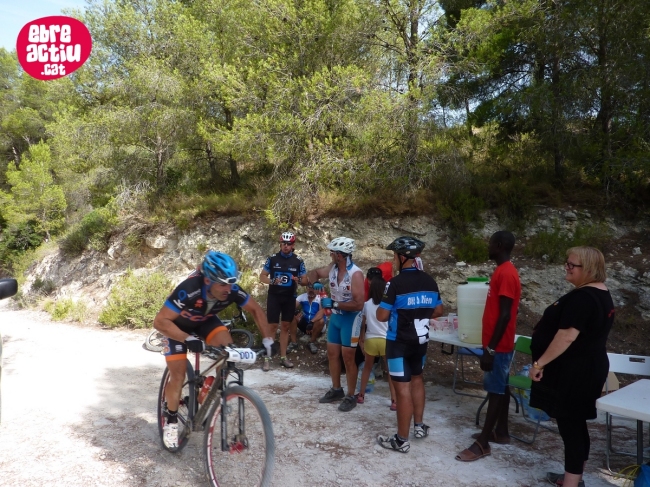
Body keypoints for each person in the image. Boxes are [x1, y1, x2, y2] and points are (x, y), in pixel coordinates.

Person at [153, 251, 275, 450]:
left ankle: (212, 391)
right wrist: (186, 338)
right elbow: (160, 321)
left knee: (229, 352)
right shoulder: (189, 289)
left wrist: (268, 339)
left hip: (205, 322)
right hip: (178, 328)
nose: (229, 289)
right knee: (178, 374)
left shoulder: (231, 289)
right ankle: (172, 421)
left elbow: (256, 310)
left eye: (231, 283)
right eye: (223, 284)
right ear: (208, 280)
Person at [529, 247, 614, 487]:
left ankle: (571, 483)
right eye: (567, 263)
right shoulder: (600, 293)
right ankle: (573, 478)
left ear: (588, 269)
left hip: (576, 373)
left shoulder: (583, 297)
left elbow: (566, 336)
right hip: (586, 368)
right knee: (575, 424)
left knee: (571, 427)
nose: (566, 268)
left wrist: (540, 363)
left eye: (571, 265)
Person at [456, 231, 521, 462]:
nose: (488, 246)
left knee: (494, 391)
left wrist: (491, 349)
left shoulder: (507, 274)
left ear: (500, 245)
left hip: (499, 346)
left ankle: (482, 443)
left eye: (491, 243)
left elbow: (505, 315)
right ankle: (501, 432)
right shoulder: (501, 271)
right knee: (501, 387)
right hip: (496, 344)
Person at [376, 236, 443, 453]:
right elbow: (439, 310)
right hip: (421, 343)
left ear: (403, 257)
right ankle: (420, 426)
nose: (394, 260)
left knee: (402, 388)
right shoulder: (430, 281)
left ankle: (401, 440)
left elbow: (382, 316)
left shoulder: (395, 284)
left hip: (398, 344)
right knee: (417, 380)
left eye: (395, 255)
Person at [306, 236, 365, 412]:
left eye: (332, 252)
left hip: (351, 317)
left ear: (340, 255)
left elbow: (359, 303)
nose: (330, 254)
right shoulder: (332, 268)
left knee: (348, 357)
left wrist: (335, 304)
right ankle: (337, 389)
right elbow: (314, 272)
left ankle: (351, 395)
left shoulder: (356, 274)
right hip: (337, 317)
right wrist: (314, 283)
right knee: (332, 353)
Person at [259, 232, 308, 371]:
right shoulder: (272, 259)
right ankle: (267, 358)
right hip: (274, 297)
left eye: (289, 244)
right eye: (283, 243)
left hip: (289, 297)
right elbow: (262, 276)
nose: (286, 246)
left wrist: (299, 280)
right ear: (280, 244)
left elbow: (305, 280)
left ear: (293, 245)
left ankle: (283, 357)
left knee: (285, 326)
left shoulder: (298, 260)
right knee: (272, 327)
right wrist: (271, 281)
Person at [357, 273, 396, 410]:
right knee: (390, 371)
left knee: (367, 368)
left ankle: (361, 395)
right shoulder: (388, 306)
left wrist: (361, 339)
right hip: (386, 340)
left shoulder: (366, 305)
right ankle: (394, 400)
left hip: (371, 339)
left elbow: (363, 324)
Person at [292, 284, 326, 354]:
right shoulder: (302, 296)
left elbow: (321, 312)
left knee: (321, 320)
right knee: (292, 317)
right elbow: (292, 306)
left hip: (316, 324)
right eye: (309, 288)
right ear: (306, 288)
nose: (311, 290)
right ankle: (293, 342)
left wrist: (311, 322)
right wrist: (296, 312)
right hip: (305, 324)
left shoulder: (321, 298)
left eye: (313, 288)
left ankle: (312, 342)